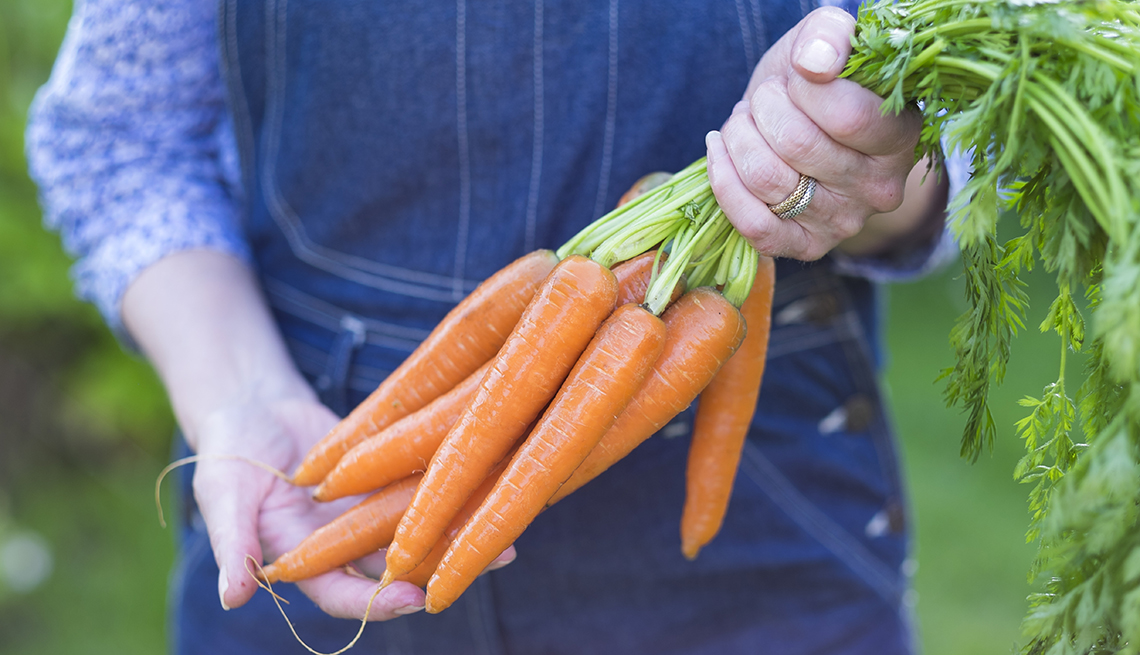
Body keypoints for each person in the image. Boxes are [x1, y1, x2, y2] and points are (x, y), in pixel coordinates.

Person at [27, 0, 960, 653]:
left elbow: (963, 146)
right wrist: (239, 395)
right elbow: (119, 138)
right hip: (306, 506)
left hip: (758, 548)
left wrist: (857, 167)